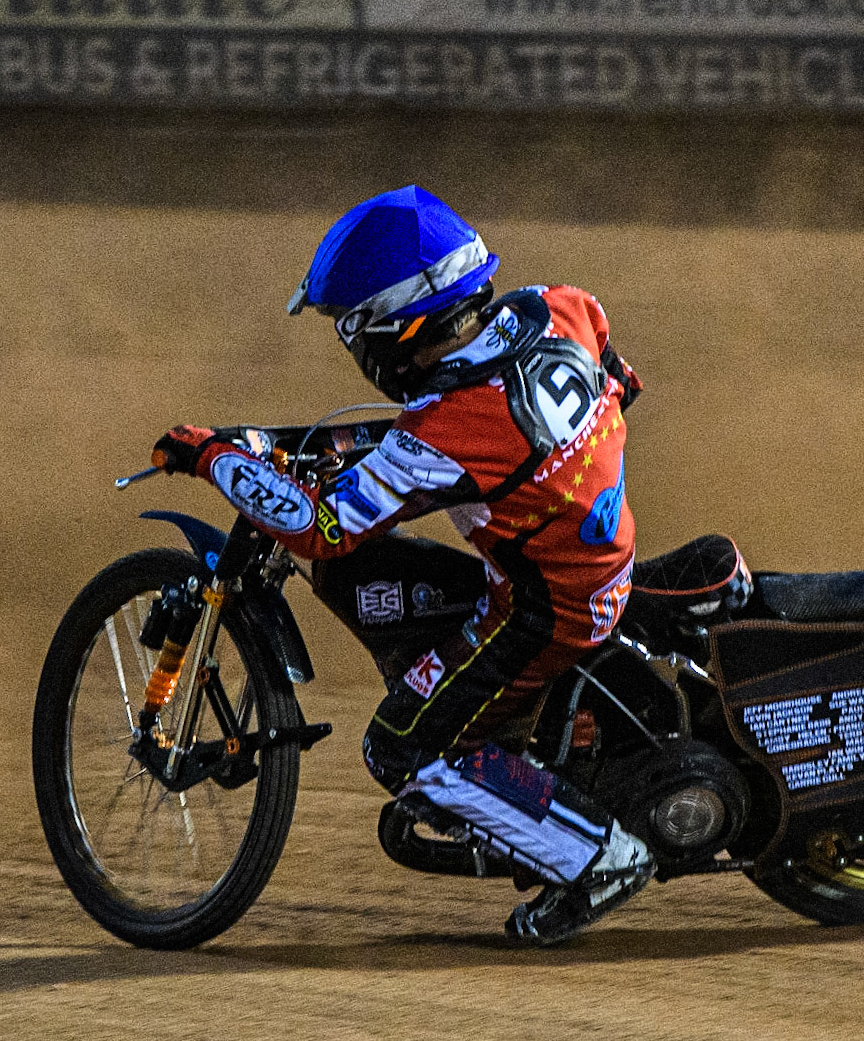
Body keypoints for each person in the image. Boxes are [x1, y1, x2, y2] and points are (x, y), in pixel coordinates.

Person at [152, 184, 653, 946]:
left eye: (350, 333)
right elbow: (623, 385)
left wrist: (212, 455)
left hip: (542, 609)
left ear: (390, 327)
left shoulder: (448, 427)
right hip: (595, 552)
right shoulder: (560, 307)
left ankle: (596, 857)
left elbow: (320, 529)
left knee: (398, 745)